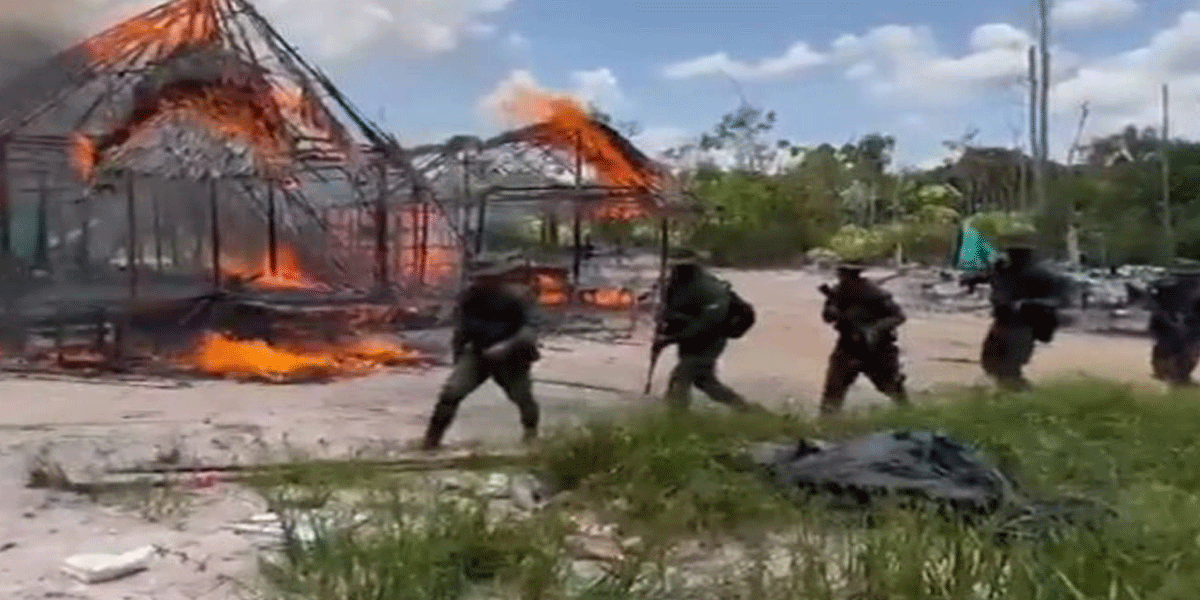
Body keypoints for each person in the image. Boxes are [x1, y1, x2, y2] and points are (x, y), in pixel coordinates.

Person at [420, 255, 540, 450]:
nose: (483, 282)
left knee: (522, 397)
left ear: (500, 277)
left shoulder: (520, 297)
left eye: (488, 277)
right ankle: (431, 441)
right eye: (480, 278)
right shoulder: (469, 297)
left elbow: (530, 328)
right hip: (478, 354)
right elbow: (462, 330)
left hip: (512, 357)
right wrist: (458, 358)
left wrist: (507, 346)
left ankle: (531, 436)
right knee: (451, 393)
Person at [654, 247, 758, 413]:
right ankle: (748, 410)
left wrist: (671, 338)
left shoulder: (708, 288)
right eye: (675, 267)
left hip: (710, 339)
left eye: (682, 267)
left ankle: (676, 418)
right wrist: (664, 329)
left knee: (681, 376)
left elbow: (708, 323)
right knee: (705, 382)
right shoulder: (674, 286)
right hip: (689, 340)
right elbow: (671, 312)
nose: (677, 271)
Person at [961, 245, 1072, 392]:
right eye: (1010, 254)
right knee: (991, 364)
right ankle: (1012, 395)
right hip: (1002, 323)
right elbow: (980, 277)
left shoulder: (1044, 276)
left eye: (1016, 255)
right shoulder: (1003, 272)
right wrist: (971, 280)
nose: (1011, 258)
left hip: (1025, 325)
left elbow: (1063, 301)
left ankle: (1024, 397)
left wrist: (1028, 304)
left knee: (1008, 368)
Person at [818, 262, 909, 415]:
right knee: (834, 390)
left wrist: (875, 329)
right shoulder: (837, 293)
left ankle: (908, 416)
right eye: (842, 273)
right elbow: (827, 318)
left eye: (846, 273)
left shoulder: (875, 293)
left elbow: (898, 316)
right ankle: (827, 423)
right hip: (848, 346)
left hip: (879, 348)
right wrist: (832, 310)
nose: (843, 277)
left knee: (891, 387)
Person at [1145, 269, 1200, 387]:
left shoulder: (1166, 288)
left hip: (1177, 326)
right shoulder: (1168, 290)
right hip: (1172, 326)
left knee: (1185, 349)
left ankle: (1175, 375)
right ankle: (1175, 375)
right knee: (1184, 349)